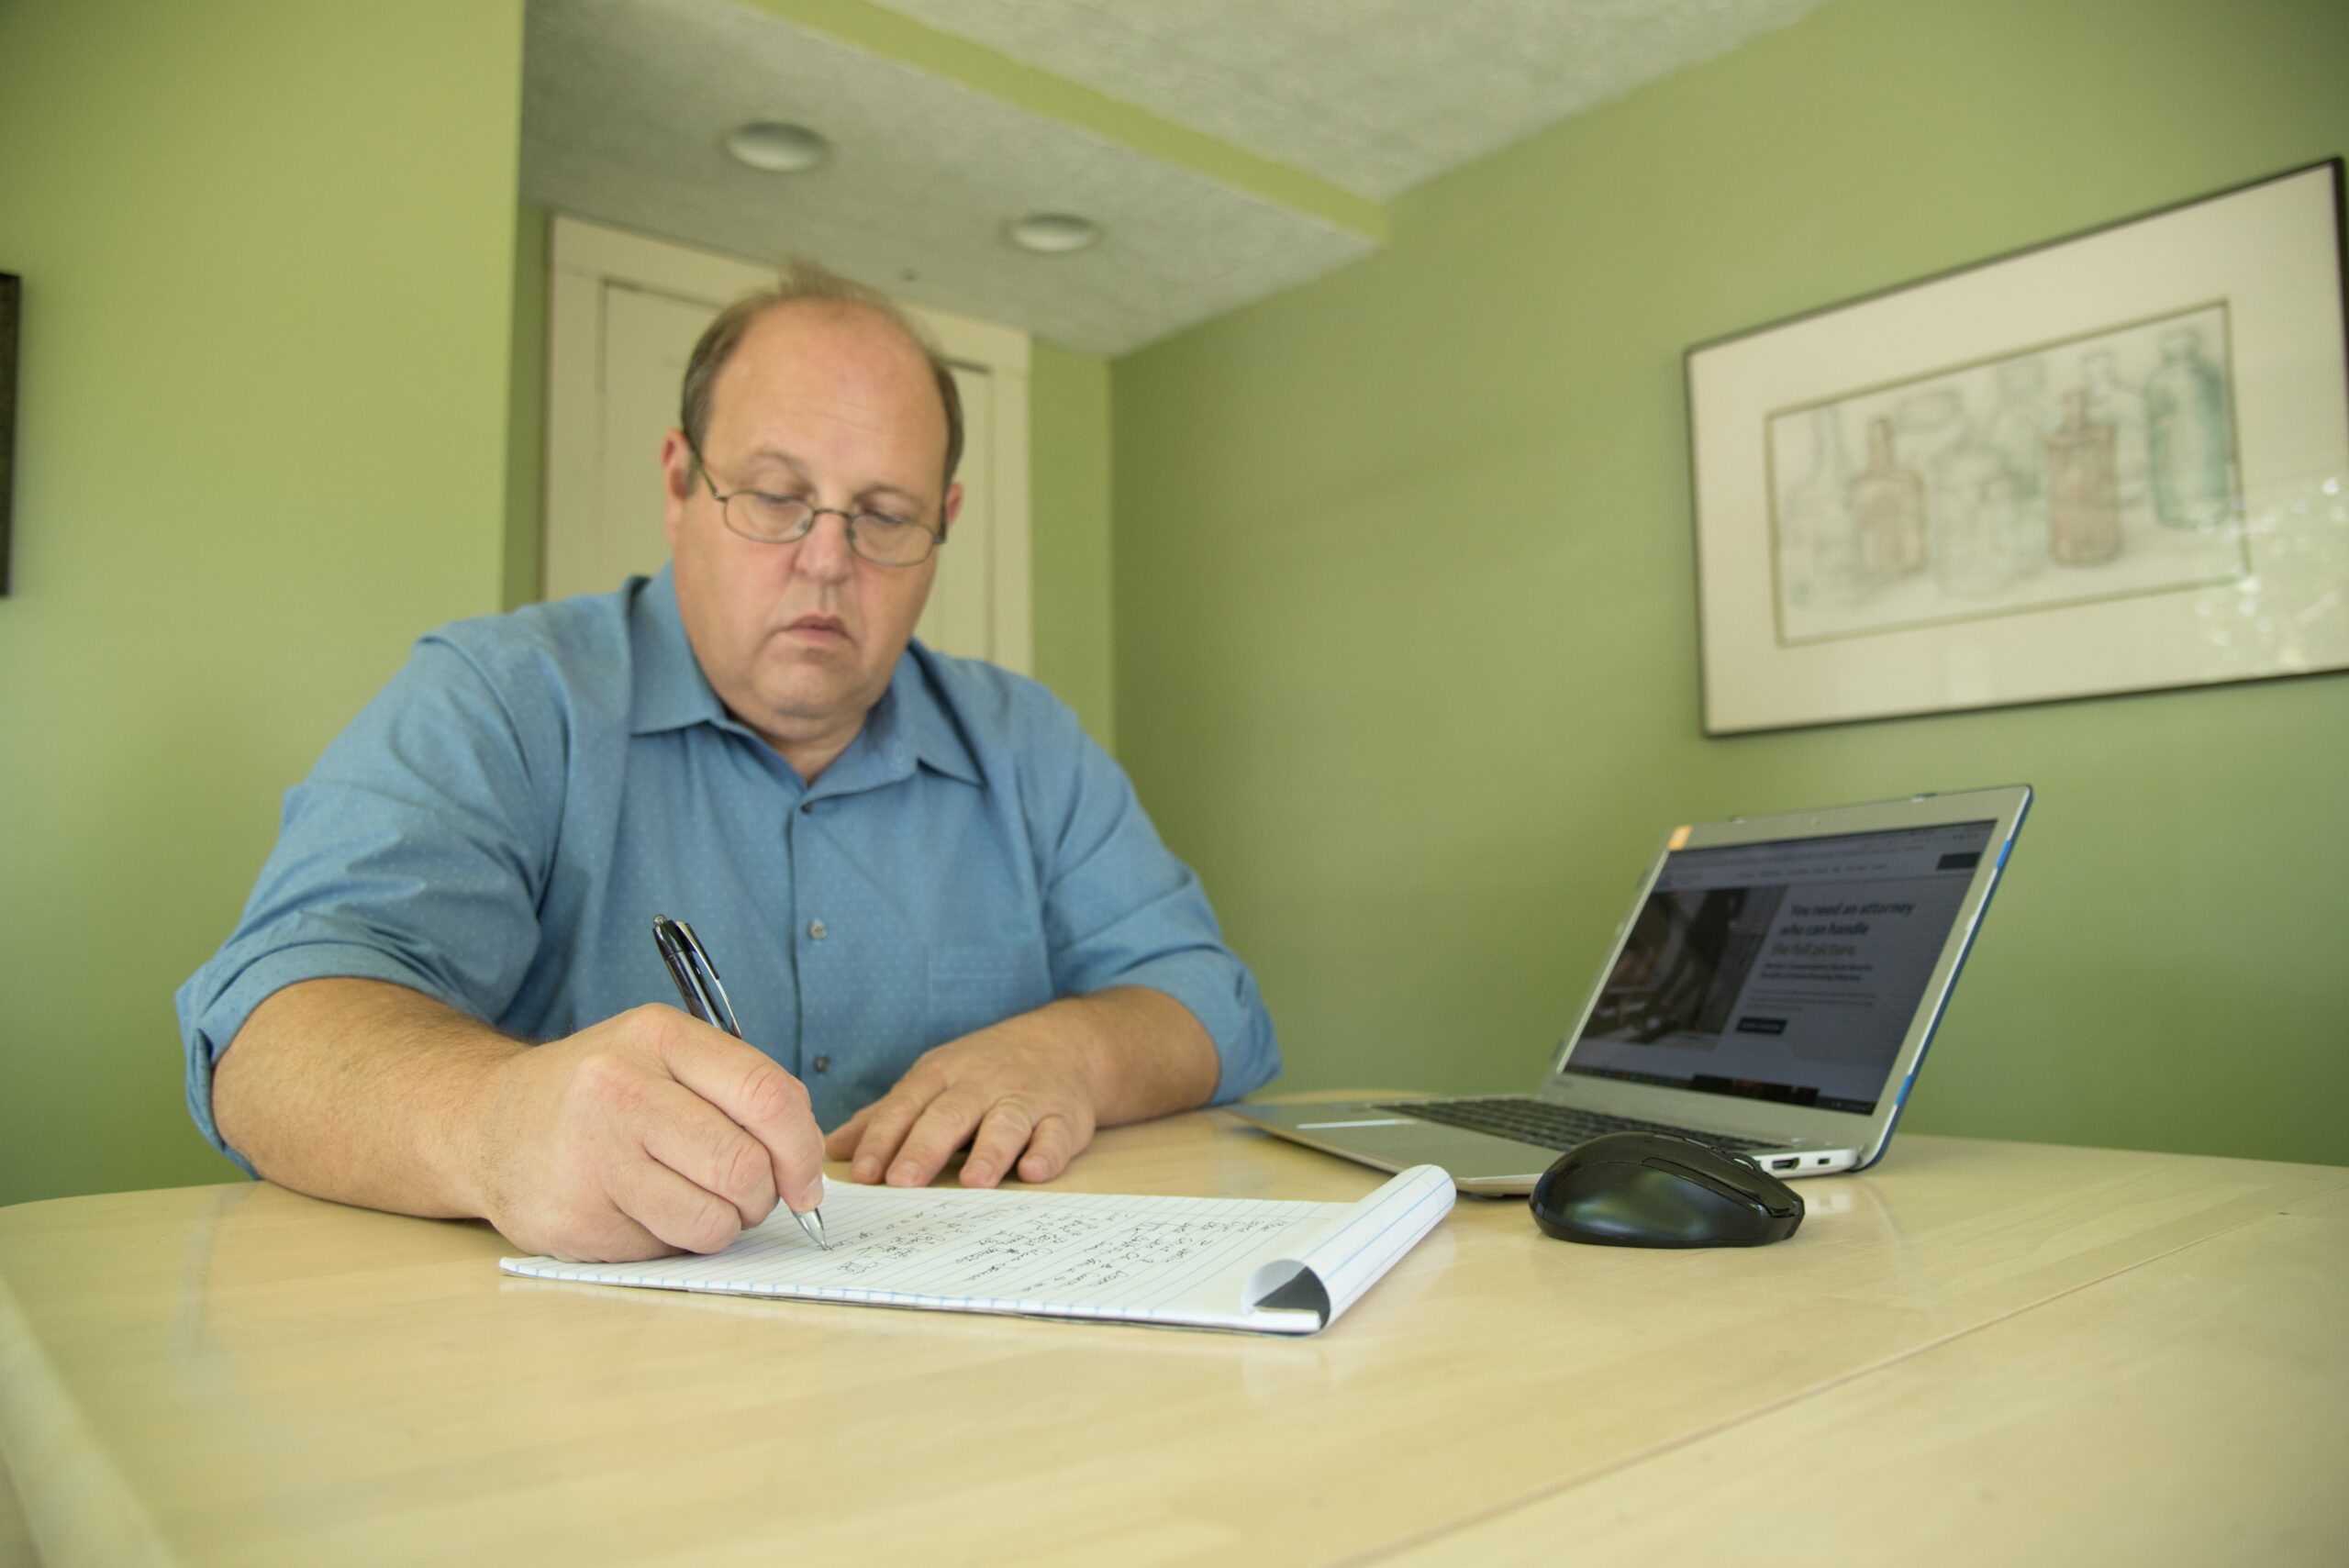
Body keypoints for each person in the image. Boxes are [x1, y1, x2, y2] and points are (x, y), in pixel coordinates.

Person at [176, 263, 1278, 1264]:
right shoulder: (502, 696)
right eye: (773, 495)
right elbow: (270, 1030)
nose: (826, 561)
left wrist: (1072, 1051)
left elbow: (1214, 1002)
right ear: (677, 482)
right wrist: (493, 1117)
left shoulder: (1028, 743)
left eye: (885, 514)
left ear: (943, 525)